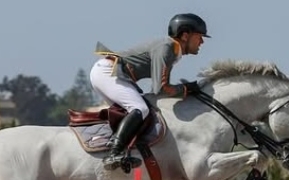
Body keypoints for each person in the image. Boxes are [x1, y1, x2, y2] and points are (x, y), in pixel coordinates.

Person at [90, 13, 210, 171]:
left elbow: (159, 90)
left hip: (110, 72)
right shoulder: (168, 48)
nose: (201, 42)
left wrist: (184, 90)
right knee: (141, 108)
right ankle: (113, 153)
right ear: (185, 35)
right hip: (109, 72)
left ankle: (112, 144)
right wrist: (186, 89)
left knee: (135, 111)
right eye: (199, 36)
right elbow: (161, 89)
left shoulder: (171, 49)